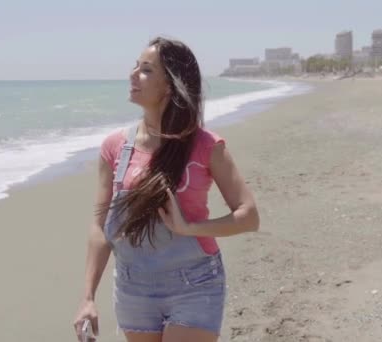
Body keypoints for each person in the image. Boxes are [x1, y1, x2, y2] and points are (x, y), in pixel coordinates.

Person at [73, 37, 260, 342]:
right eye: (135, 66)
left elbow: (249, 216)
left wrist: (189, 228)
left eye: (146, 70)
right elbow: (100, 228)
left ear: (170, 85)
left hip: (195, 282)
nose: (133, 74)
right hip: (133, 287)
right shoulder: (115, 148)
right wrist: (88, 297)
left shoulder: (206, 146)